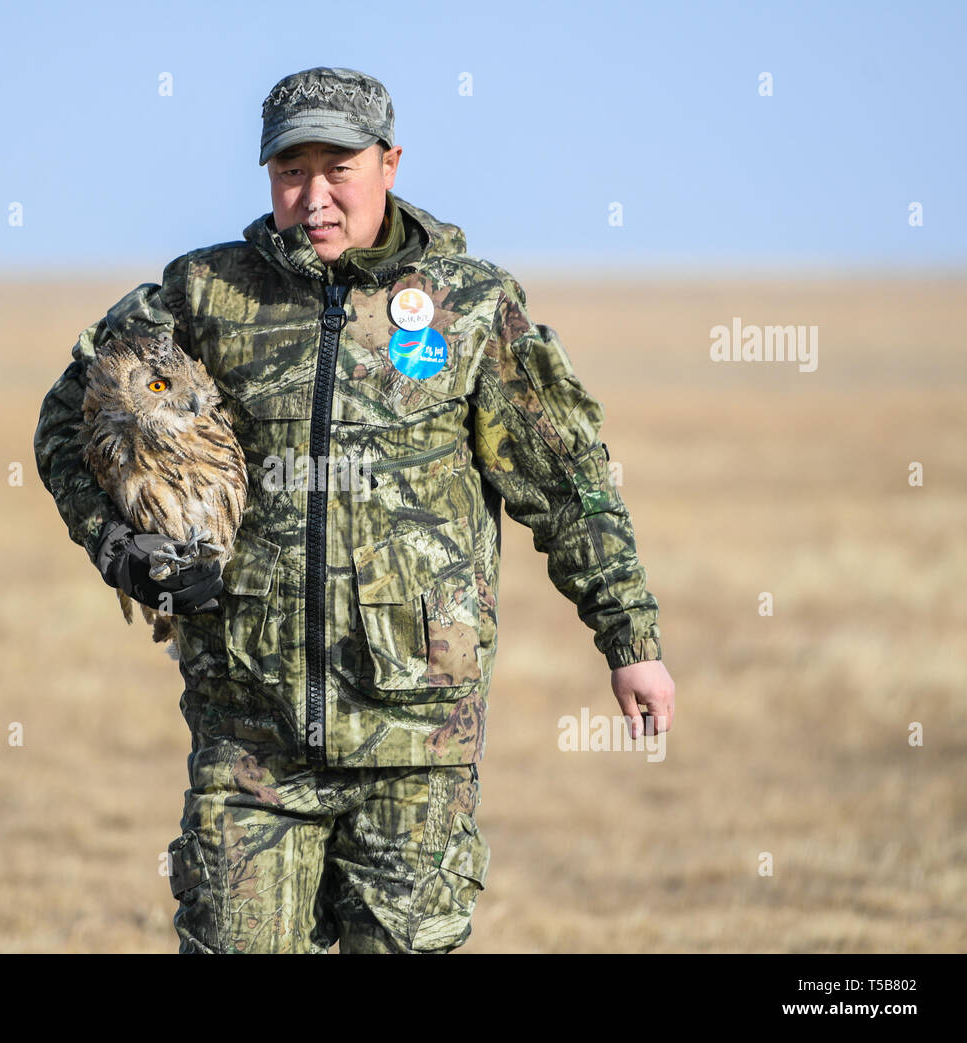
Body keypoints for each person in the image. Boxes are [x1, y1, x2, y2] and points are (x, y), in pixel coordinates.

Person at [33, 66, 676, 953]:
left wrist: (629, 638)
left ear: (390, 162)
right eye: (292, 171)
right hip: (250, 739)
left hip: (417, 741)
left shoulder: (470, 307)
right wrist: (118, 547)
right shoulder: (201, 297)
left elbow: (568, 483)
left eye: (339, 167)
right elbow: (70, 419)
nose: (315, 196)